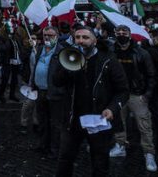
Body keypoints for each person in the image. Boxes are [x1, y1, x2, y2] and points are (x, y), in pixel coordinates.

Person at [54, 25, 129, 177]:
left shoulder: (108, 60)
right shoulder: (69, 56)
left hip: (98, 119)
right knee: (65, 159)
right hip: (73, 119)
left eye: (85, 37)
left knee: (100, 161)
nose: (81, 41)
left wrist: (112, 108)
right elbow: (57, 82)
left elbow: (123, 91)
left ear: (94, 40)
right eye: (78, 37)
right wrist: (67, 66)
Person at [108, 25, 157, 171]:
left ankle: (149, 153)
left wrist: (147, 94)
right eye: (118, 32)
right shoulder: (111, 51)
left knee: (144, 124)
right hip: (117, 93)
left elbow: (151, 74)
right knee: (118, 122)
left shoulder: (141, 52)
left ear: (130, 34)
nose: (121, 34)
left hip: (137, 94)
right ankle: (120, 145)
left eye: (124, 32)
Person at [30, 26, 65, 158]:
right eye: (45, 35)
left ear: (57, 36)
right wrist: (33, 84)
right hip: (41, 91)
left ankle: (54, 149)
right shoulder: (40, 49)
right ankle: (42, 144)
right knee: (42, 120)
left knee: (55, 123)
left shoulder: (62, 51)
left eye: (51, 35)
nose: (47, 38)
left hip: (55, 92)